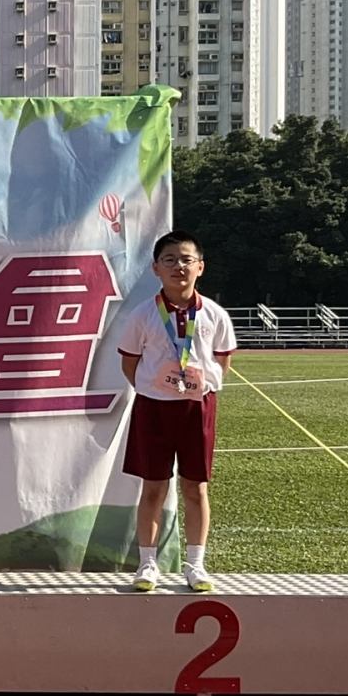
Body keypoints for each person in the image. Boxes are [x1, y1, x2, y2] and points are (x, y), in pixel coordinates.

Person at [117, 230, 237, 593]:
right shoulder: (143, 315)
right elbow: (130, 362)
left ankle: (196, 565)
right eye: (169, 260)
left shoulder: (214, 314)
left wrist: (198, 386)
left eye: (186, 260)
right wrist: (156, 387)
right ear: (156, 268)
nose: (178, 267)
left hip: (197, 408)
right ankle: (147, 564)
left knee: (195, 487)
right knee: (153, 487)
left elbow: (222, 360)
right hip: (153, 408)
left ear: (200, 267)